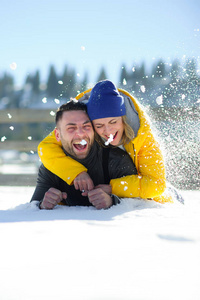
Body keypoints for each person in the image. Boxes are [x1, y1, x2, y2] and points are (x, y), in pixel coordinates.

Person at [38, 80, 174, 204]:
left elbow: (157, 185)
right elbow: (46, 147)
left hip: (152, 203)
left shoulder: (143, 136)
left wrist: (112, 188)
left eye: (113, 122)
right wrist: (76, 173)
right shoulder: (80, 125)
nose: (108, 131)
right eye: (99, 126)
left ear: (123, 118)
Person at [31, 100, 137, 209]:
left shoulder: (116, 160)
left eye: (86, 126)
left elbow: (141, 205)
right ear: (58, 135)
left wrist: (112, 202)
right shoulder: (52, 166)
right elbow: (31, 208)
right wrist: (43, 204)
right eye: (71, 128)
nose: (81, 134)